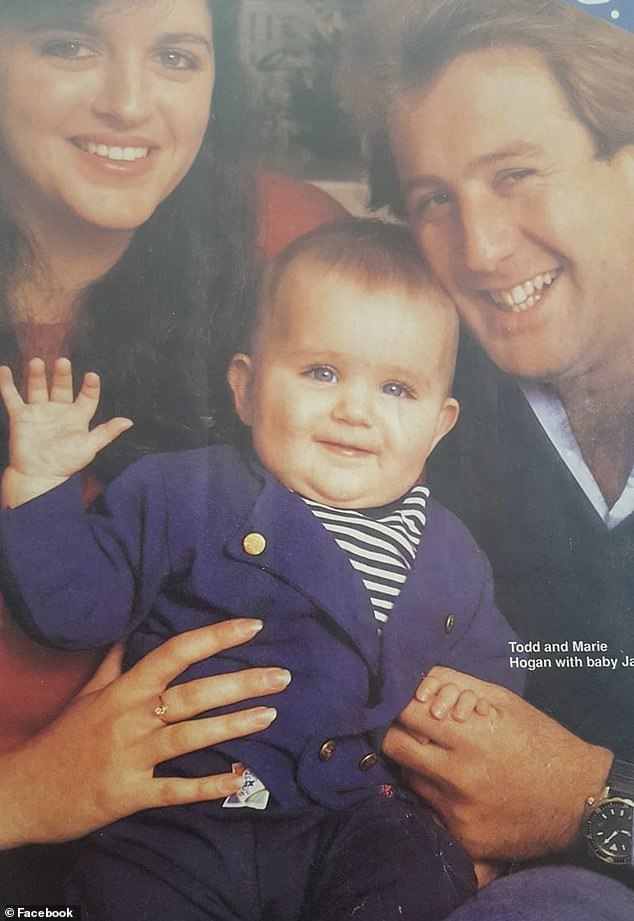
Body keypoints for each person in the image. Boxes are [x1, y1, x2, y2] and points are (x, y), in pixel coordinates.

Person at [0, 219, 521, 920]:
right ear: (245, 389)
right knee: (123, 891)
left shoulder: (451, 553)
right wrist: (39, 487)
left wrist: (471, 702)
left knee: (421, 876)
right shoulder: (184, 492)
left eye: (397, 389)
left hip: (354, 818)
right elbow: (70, 610)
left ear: (439, 423)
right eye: (322, 372)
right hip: (183, 813)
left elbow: (491, 678)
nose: (355, 410)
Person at [0, 0, 344, 900]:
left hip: (282, 821)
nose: (128, 102)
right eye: (69, 43)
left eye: (178, 57)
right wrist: (26, 793)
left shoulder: (294, 243)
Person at [338, 0, 634, 916]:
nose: (480, 248)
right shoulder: (414, 409)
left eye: (515, 174)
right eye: (435, 198)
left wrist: (591, 802)